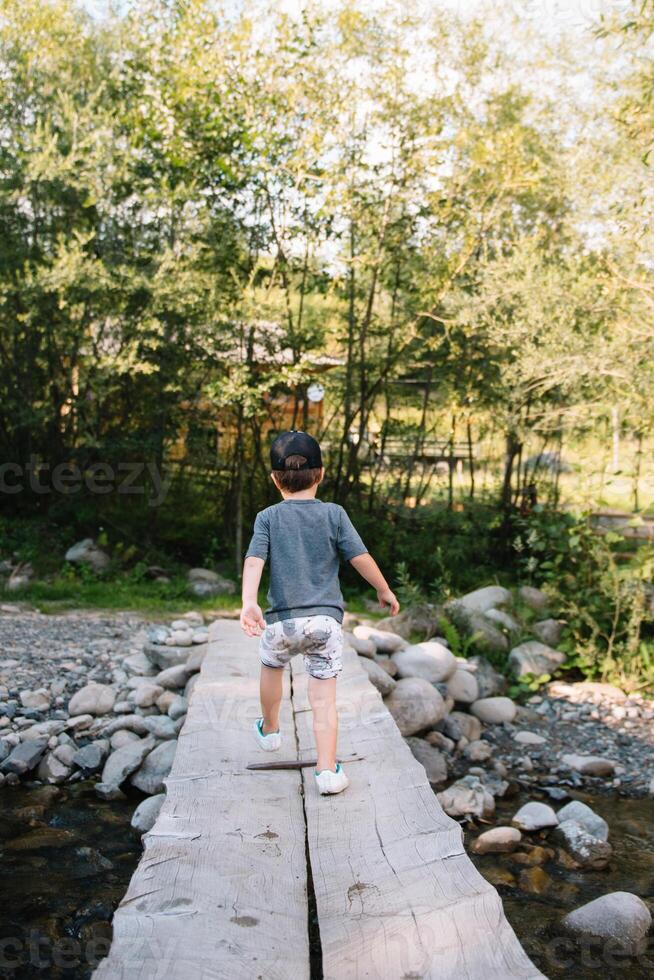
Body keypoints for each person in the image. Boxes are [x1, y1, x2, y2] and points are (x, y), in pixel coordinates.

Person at [240, 430, 400, 795]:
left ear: (274, 479)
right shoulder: (334, 514)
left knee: (271, 666)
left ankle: (270, 728)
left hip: (281, 621)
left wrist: (249, 602)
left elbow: (255, 560)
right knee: (324, 699)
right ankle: (327, 771)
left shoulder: (267, 517)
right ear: (321, 473)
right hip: (325, 623)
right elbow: (359, 556)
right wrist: (383, 587)